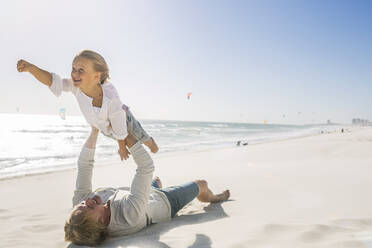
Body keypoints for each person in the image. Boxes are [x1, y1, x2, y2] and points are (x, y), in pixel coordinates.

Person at [64, 127, 230, 246]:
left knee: (155, 181)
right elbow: (146, 166)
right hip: (164, 202)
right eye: (90, 207)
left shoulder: (81, 206)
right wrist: (125, 131)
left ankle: (155, 185)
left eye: (82, 204)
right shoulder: (129, 216)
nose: (88, 201)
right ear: (102, 221)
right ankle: (215, 198)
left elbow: (84, 164)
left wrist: (95, 129)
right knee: (202, 184)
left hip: (141, 196)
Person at [17, 50, 158, 161]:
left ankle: (152, 144)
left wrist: (121, 147)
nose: (75, 74)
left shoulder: (110, 97)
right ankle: (137, 146)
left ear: (96, 76)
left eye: (81, 70)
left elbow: (119, 124)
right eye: (73, 69)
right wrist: (31, 68)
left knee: (137, 138)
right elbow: (53, 81)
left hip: (125, 119)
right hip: (105, 127)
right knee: (123, 138)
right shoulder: (75, 86)